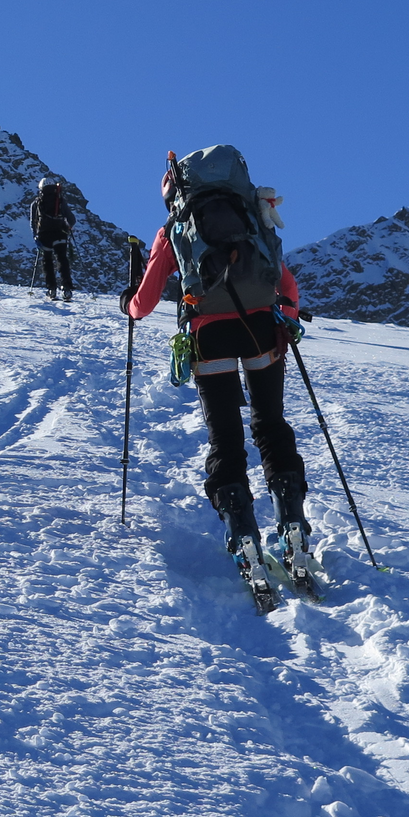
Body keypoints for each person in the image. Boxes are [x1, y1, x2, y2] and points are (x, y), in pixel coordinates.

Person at [118, 146, 312, 597]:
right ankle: (294, 527)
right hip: (264, 330)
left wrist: (127, 304)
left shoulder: (173, 230)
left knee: (225, 437)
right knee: (271, 426)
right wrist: (287, 315)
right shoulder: (251, 217)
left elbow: (143, 304)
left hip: (210, 336)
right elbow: (285, 283)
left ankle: (243, 535)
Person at [30, 177, 77, 301]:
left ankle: (52, 289)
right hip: (60, 233)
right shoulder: (60, 200)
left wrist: (35, 236)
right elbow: (71, 219)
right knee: (62, 259)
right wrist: (69, 227)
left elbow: (33, 222)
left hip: (44, 235)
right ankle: (66, 288)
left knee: (47, 261)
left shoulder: (36, 203)